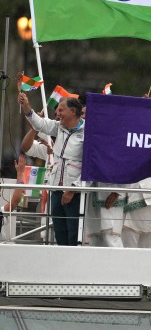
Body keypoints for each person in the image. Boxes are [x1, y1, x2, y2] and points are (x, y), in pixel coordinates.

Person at [18, 93, 84, 246]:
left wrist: (73, 189)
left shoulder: (88, 132)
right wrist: (26, 105)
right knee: (59, 233)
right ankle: (61, 266)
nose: (57, 114)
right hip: (55, 189)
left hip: (74, 192)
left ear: (73, 112)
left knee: (74, 235)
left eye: (61, 110)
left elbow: (90, 165)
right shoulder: (58, 127)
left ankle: (73, 267)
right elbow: (39, 123)